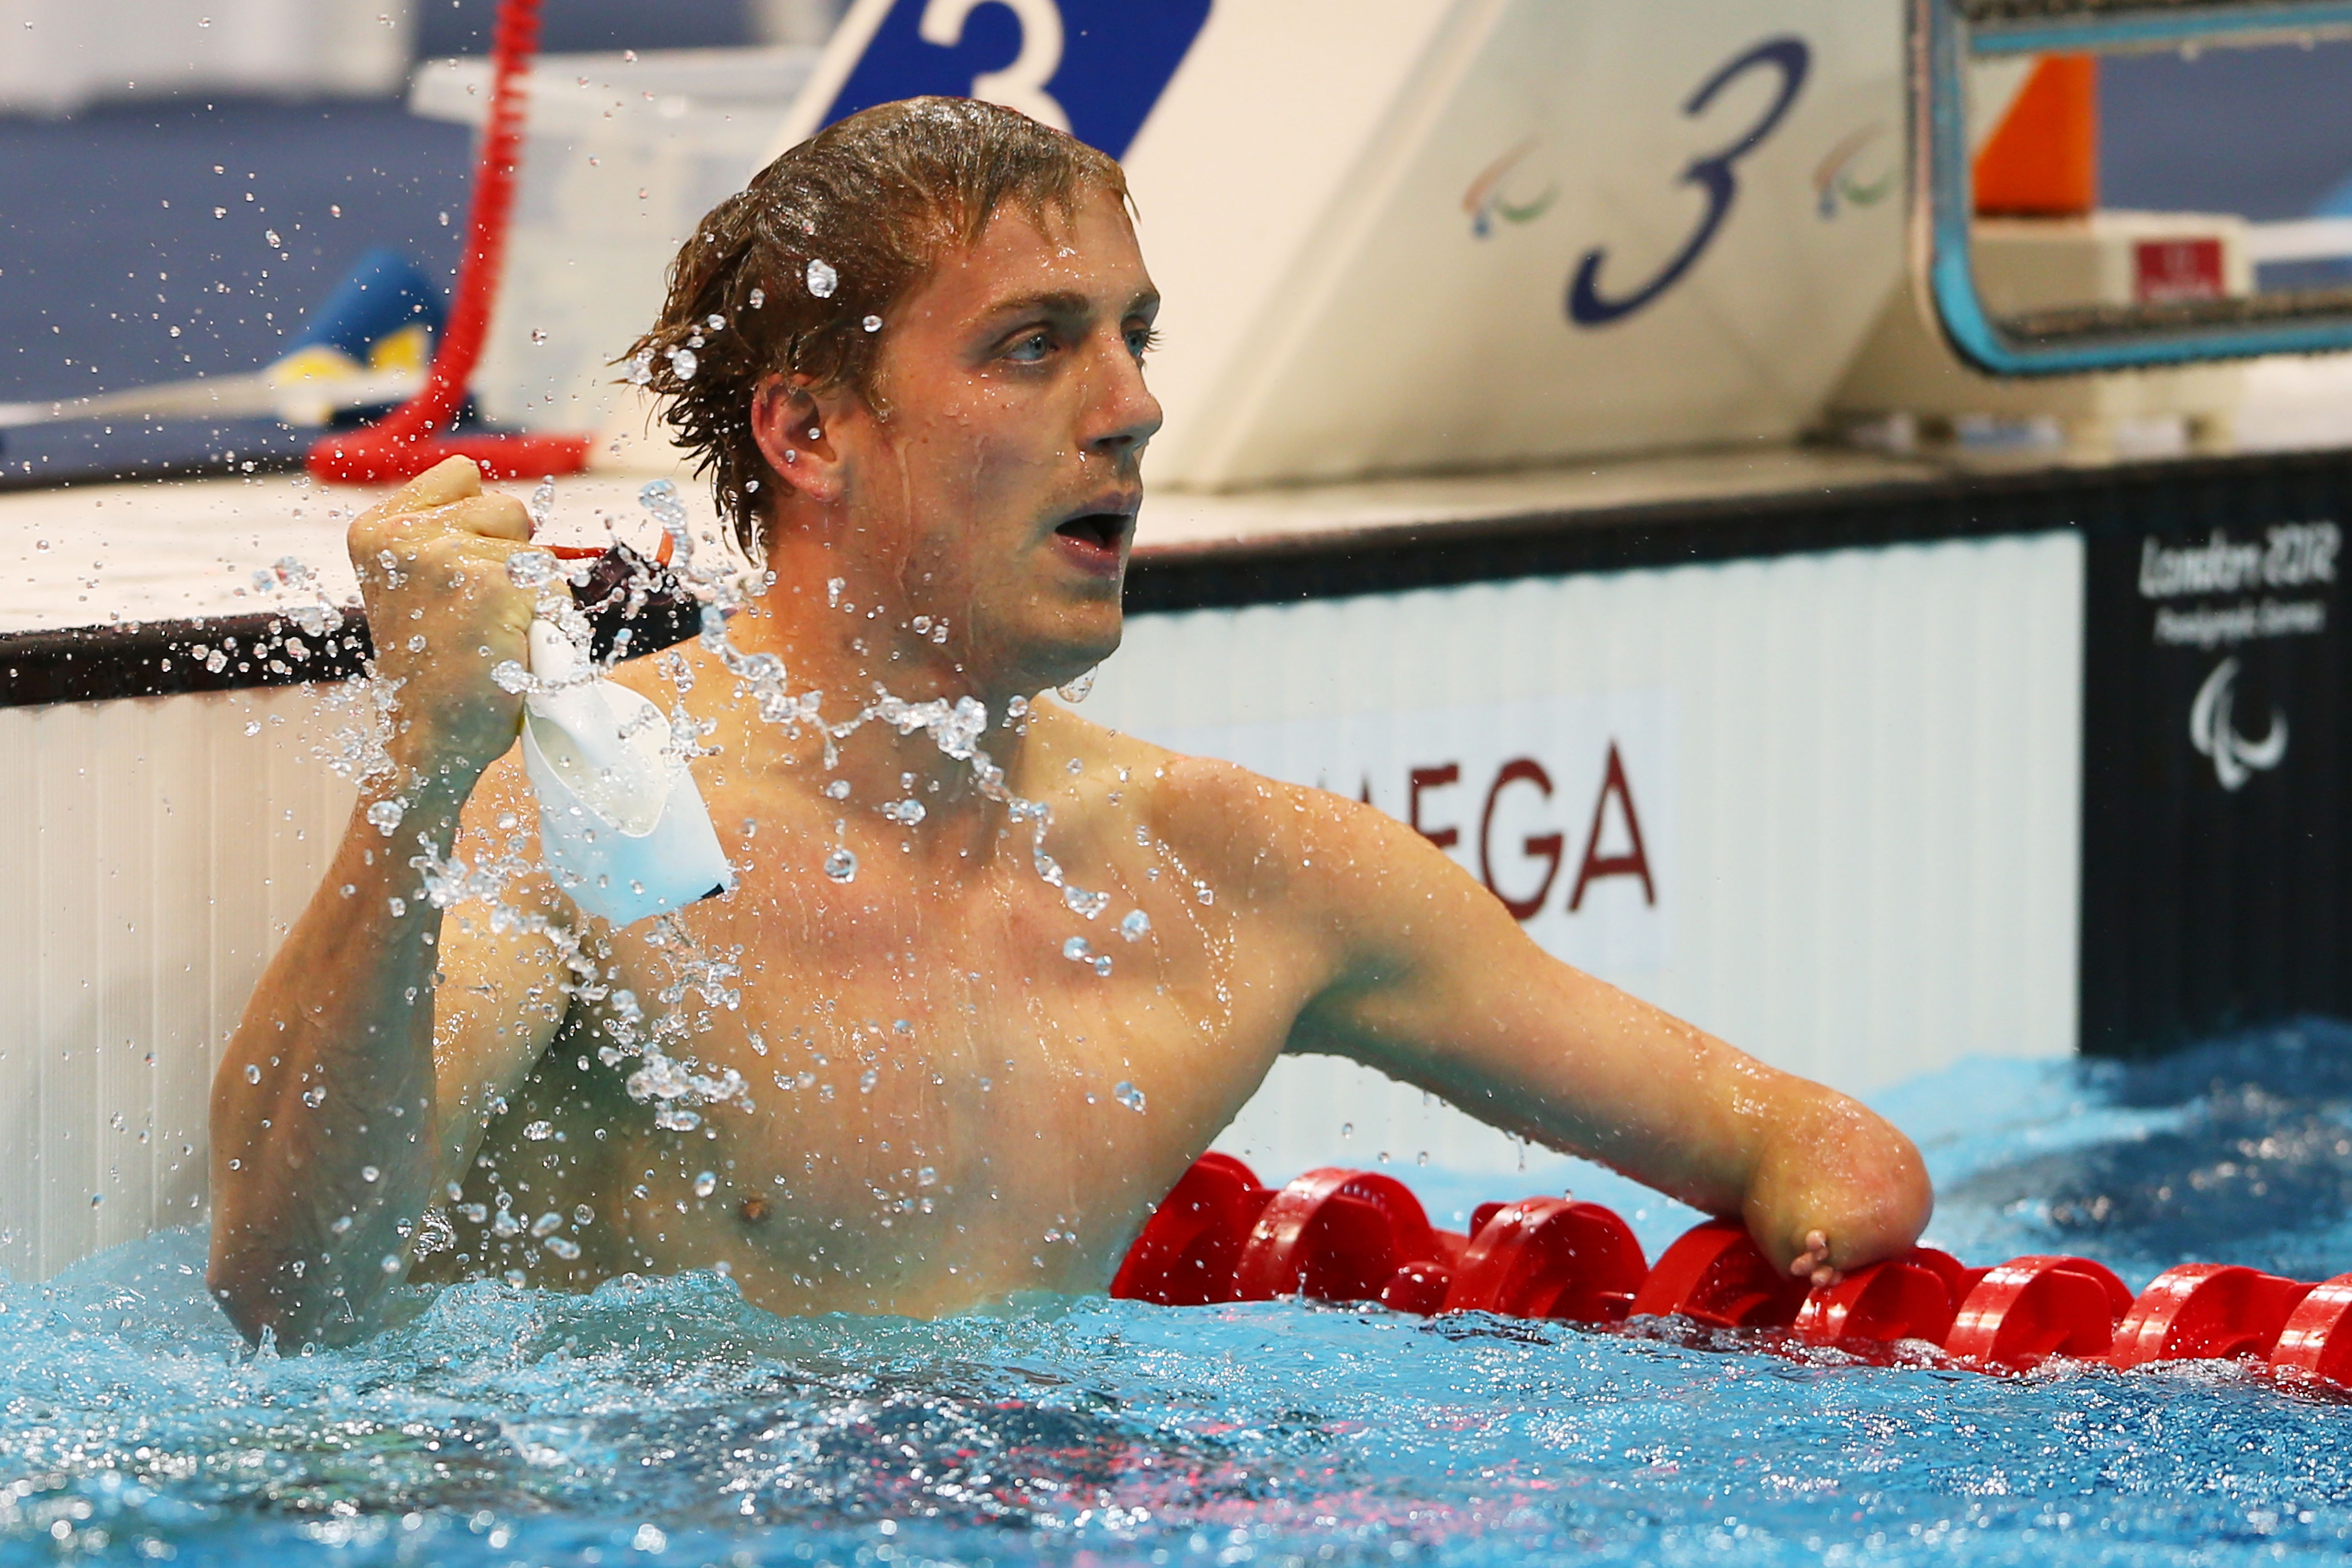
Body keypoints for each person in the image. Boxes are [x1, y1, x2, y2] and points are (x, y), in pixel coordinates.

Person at [207, 97, 1931, 1345]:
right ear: (808, 431)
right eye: (1036, 348)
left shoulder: (1246, 874)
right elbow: (289, 1295)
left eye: (1134, 336)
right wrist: (414, 788)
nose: (1135, 407)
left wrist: (1837, 1219)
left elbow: (1808, 1145)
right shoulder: (595, 822)